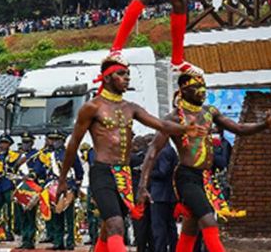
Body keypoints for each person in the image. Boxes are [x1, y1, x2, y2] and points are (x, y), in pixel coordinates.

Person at [56, 55, 204, 252]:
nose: (127, 78)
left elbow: (160, 124)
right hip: (102, 173)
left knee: (108, 229)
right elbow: (73, 144)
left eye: (128, 74)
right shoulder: (92, 107)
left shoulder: (131, 108)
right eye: (121, 74)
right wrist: (62, 179)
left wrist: (185, 129)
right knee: (116, 225)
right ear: (107, 78)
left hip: (124, 175)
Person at [137, 73, 271, 252]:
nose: (202, 91)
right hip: (186, 178)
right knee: (208, 219)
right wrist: (143, 186)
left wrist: (264, 125)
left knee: (191, 226)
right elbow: (152, 150)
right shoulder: (173, 119)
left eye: (203, 87)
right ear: (182, 90)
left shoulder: (210, 112)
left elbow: (239, 128)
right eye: (196, 87)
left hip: (206, 178)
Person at [47, 130, 83, 251]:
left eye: (57, 140)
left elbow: (79, 171)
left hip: (68, 185)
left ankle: (70, 241)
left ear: (62, 140)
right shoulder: (51, 155)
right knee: (57, 214)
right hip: (55, 186)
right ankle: (58, 241)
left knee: (69, 217)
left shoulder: (70, 153)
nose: (55, 142)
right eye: (54, 140)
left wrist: (75, 187)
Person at [16, 132, 49, 250]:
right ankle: (24, 238)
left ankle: (30, 239)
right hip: (20, 187)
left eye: (28, 142)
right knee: (22, 216)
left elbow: (39, 169)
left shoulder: (37, 155)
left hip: (31, 188)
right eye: (24, 142)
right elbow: (11, 168)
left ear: (32, 143)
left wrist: (30, 175)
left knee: (30, 215)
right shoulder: (18, 155)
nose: (25, 145)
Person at [149, 140, 178, 252]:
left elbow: (163, 172)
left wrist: (147, 171)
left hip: (160, 195)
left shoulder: (164, 152)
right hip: (169, 195)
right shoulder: (171, 150)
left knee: (159, 228)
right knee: (171, 227)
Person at [130, 136, 153, 252]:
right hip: (150, 193)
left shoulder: (131, 159)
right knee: (150, 223)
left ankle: (141, 247)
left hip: (136, 195)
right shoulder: (149, 158)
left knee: (139, 224)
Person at [0, 134, 19, 242]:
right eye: (1, 143)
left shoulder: (14, 155)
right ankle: (0, 232)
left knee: (11, 211)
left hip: (9, 185)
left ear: (9, 145)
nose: (2, 145)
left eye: (5, 143)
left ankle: (11, 231)